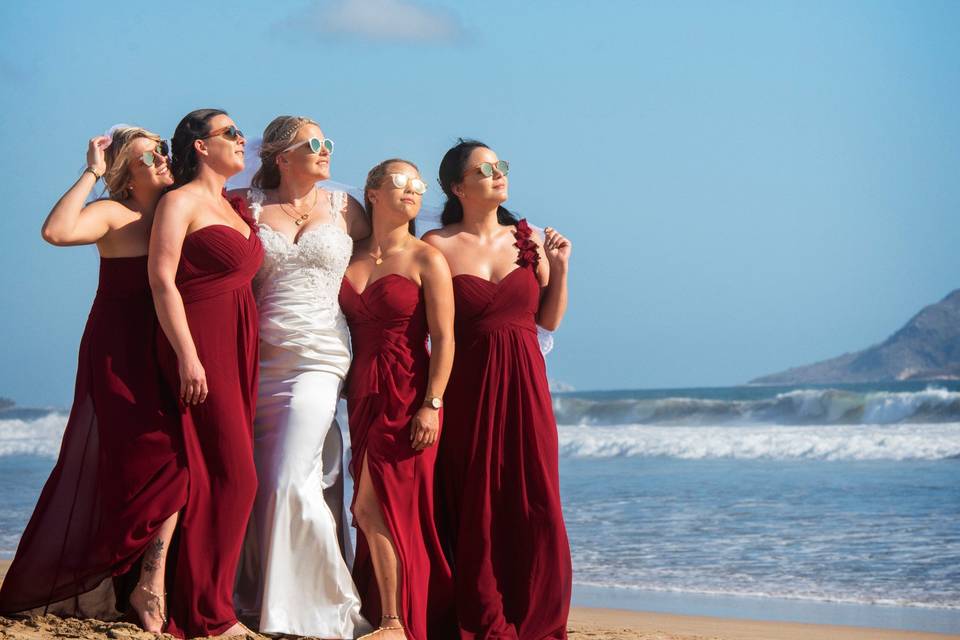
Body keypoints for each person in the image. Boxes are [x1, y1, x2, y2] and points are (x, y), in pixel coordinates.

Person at [0, 127, 186, 634]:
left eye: (164, 151)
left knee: (178, 456)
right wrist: (92, 173)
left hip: (174, 347)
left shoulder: (184, 204)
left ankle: (150, 578)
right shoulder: (113, 211)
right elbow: (56, 232)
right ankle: (126, 582)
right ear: (127, 171)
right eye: (151, 156)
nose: (163, 160)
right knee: (138, 462)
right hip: (120, 351)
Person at [425, 140, 573, 639]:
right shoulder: (436, 245)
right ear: (457, 186)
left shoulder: (527, 240)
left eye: (500, 166)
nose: (497, 174)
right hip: (468, 386)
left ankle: (537, 614)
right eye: (483, 169)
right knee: (473, 496)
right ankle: (480, 608)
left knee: (534, 496)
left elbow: (547, 321)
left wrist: (563, 266)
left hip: (526, 384)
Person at [232, 115, 370, 638]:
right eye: (313, 143)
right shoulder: (245, 206)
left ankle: (317, 608)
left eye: (328, 141)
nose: (326, 149)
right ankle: (258, 595)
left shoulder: (344, 208)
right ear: (280, 156)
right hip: (261, 359)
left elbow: (385, 253)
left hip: (320, 356)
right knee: (270, 478)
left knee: (290, 475)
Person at [149, 109, 263, 638]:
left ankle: (204, 604)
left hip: (241, 346)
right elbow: (162, 280)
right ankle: (209, 614)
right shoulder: (180, 201)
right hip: (202, 344)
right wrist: (189, 355)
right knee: (236, 475)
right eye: (231, 133)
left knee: (217, 474)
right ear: (200, 146)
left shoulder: (235, 207)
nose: (242, 140)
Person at [339, 159, 456, 639]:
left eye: (418, 186)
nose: (413, 192)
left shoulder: (427, 257)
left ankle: (394, 622)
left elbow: (446, 339)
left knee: (373, 507)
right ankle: (387, 612)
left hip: (409, 392)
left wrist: (433, 403)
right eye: (401, 183)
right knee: (375, 507)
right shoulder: (347, 254)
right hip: (361, 392)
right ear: (372, 192)